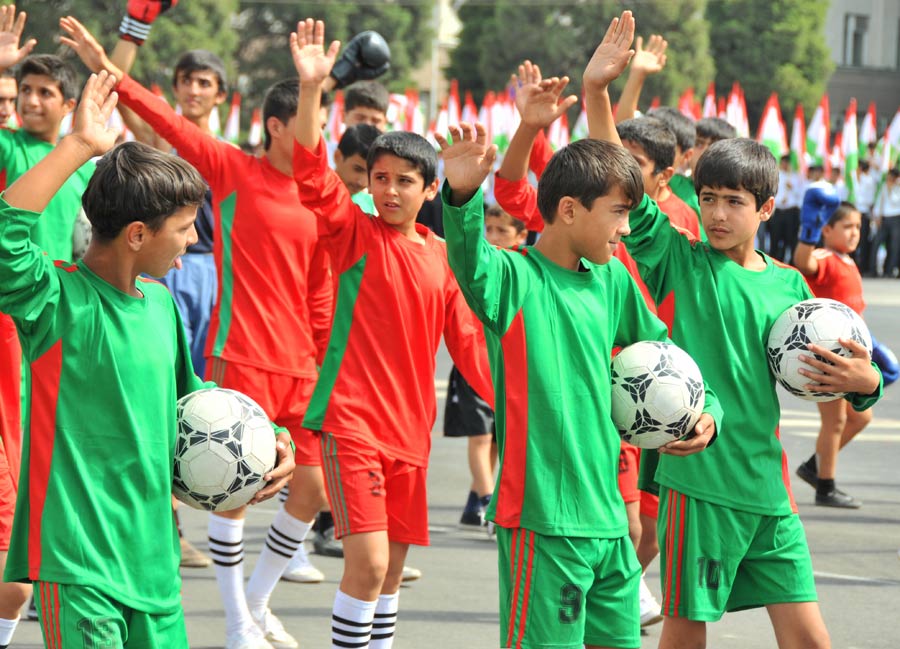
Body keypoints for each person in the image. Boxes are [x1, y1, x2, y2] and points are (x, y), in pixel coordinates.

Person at [583, 17, 884, 648]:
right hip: (701, 482)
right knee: (686, 634)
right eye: (710, 197)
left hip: (766, 486)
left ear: (767, 208)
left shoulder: (792, 291)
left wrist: (866, 382)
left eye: (735, 202)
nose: (718, 213)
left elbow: (840, 378)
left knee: (811, 639)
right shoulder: (683, 260)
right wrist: (597, 94)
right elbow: (624, 182)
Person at [441, 14, 720, 649]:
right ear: (568, 210)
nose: (626, 228)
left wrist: (708, 415)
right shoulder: (513, 280)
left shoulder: (613, 280)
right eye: (618, 213)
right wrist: (459, 198)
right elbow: (470, 262)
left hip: (609, 525)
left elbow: (670, 354)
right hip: (543, 520)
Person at [61, 17, 335, 649]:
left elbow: (323, 285)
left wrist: (326, 356)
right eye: (307, 119)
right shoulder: (235, 170)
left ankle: (260, 600)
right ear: (274, 127)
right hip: (242, 352)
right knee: (228, 491)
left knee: (313, 485)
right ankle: (238, 622)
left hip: (305, 363)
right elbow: (174, 124)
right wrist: (117, 73)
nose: (317, 135)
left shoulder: (324, 195)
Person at [0, 70, 294, 649]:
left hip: (156, 568)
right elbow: (8, 233)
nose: (191, 242)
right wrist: (79, 144)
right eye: (184, 229)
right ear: (137, 233)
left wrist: (268, 440)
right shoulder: (57, 303)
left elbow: (195, 404)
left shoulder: (160, 305)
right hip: (80, 564)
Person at [290, 19, 493, 648]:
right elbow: (307, 170)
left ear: (430, 189)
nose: (390, 190)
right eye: (380, 179)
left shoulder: (440, 255)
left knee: (392, 576)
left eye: (406, 180)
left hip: (411, 433)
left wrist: (529, 404)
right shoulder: (352, 234)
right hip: (352, 424)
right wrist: (311, 92)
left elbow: (472, 347)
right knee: (369, 565)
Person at [791, 198, 875, 508]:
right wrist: (807, 234)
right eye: (847, 227)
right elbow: (805, 263)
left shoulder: (848, 260)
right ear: (827, 229)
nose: (855, 233)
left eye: (858, 227)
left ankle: (816, 466)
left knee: (861, 416)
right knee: (836, 422)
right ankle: (825, 486)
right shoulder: (825, 256)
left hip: (850, 358)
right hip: (827, 358)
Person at [444, 205, 524, 529]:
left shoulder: (522, 269)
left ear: (521, 235)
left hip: (504, 366)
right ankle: (489, 499)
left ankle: (476, 497)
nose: (492, 237)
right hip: (472, 363)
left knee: (495, 439)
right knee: (479, 437)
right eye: (488, 229)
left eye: (501, 231)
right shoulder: (477, 265)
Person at [767, 154, 802, 262]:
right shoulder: (776, 176)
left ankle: (791, 262)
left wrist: (792, 188)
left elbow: (800, 195)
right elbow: (771, 193)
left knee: (790, 239)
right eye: (784, 162)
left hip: (791, 212)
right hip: (778, 211)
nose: (786, 165)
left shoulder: (796, 177)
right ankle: (773, 260)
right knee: (775, 238)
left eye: (788, 163)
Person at [870, 167, 900, 278]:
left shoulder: (897, 187)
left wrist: (892, 188)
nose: (889, 178)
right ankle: (873, 270)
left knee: (894, 246)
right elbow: (879, 202)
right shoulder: (883, 186)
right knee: (876, 243)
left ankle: (889, 270)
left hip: (896, 218)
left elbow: (895, 201)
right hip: (884, 218)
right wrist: (877, 216)